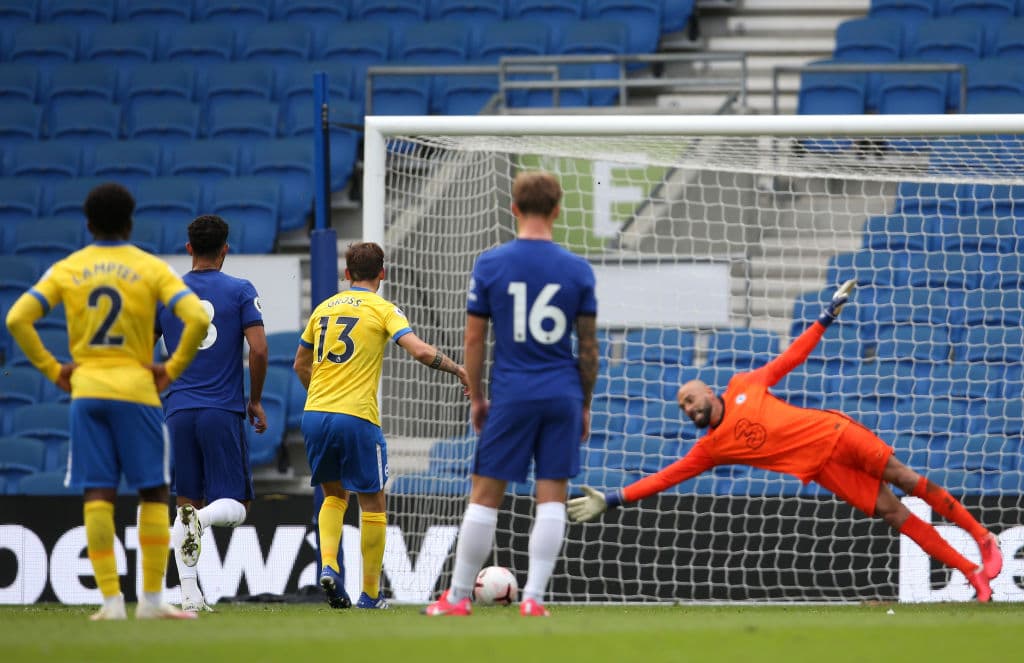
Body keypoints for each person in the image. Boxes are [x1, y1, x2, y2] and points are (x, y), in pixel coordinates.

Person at [567, 279, 1003, 602]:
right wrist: (614, 497)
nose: (687, 409)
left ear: (707, 391)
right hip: (824, 470)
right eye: (682, 407)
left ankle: (981, 536)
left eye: (689, 399)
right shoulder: (710, 449)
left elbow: (791, 357)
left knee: (906, 479)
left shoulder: (745, 383)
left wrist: (825, 318)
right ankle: (971, 572)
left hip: (835, 432)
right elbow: (666, 477)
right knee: (893, 514)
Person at [5, 182, 210, 620]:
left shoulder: (68, 267)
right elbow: (195, 316)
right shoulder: (150, 267)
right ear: (130, 223)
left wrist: (52, 368)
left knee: (97, 493)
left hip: (88, 392)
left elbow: (18, 317)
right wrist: (170, 369)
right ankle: (152, 600)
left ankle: (111, 602)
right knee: (153, 491)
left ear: (89, 224)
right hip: (137, 391)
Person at [424, 170, 599, 618]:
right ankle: (534, 600)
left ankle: (459, 597)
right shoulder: (578, 270)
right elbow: (589, 347)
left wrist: (478, 397)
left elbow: (475, 341)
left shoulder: (490, 264)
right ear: (558, 210)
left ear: (514, 209)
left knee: (485, 496)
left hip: (513, 392)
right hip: (561, 393)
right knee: (552, 497)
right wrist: (583, 403)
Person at [294, 241, 469, 610]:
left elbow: (299, 364)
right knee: (372, 501)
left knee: (333, 496)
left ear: (346, 274)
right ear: (382, 274)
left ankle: (328, 565)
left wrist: (324, 397)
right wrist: (457, 369)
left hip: (314, 414)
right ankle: (370, 594)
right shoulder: (383, 308)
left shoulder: (324, 308)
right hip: (357, 416)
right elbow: (420, 351)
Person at [155, 215, 268, 613]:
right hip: (221, 410)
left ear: (189, 249)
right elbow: (258, 349)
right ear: (225, 249)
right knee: (236, 507)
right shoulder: (240, 290)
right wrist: (254, 400)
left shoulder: (166, 293)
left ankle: (189, 595)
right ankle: (201, 525)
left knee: (185, 503)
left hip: (179, 410)